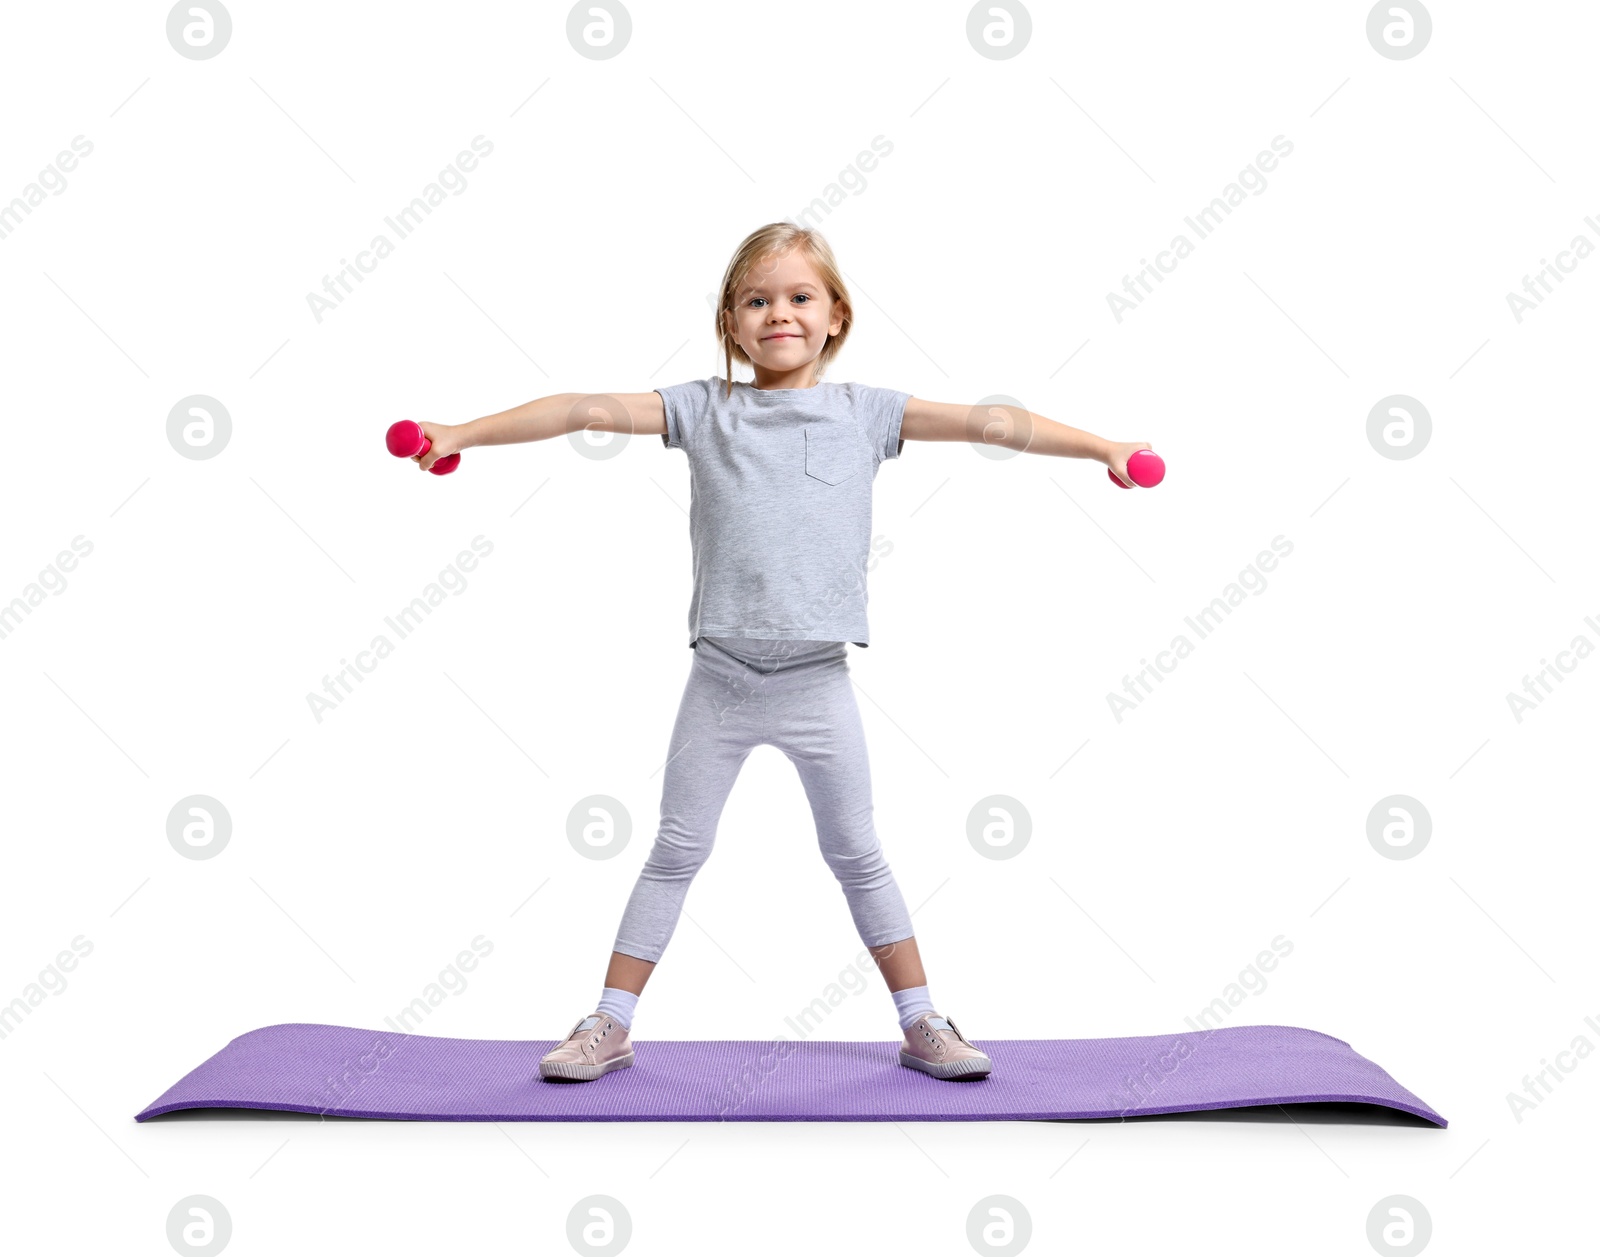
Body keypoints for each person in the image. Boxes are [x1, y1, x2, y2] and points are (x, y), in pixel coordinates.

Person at [402, 223, 1151, 1085]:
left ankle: (922, 1022)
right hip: (719, 678)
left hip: (816, 680)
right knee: (676, 848)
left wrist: (1105, 449)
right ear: (731, 322)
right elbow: (579, 409)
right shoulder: (702, 407)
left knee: (857, 851)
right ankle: (609, 1022)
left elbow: (994, 420)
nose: (779, 313)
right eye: (757, 300)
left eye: (799, 297)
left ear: (837, 316)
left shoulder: (868, 412)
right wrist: (460, 431)